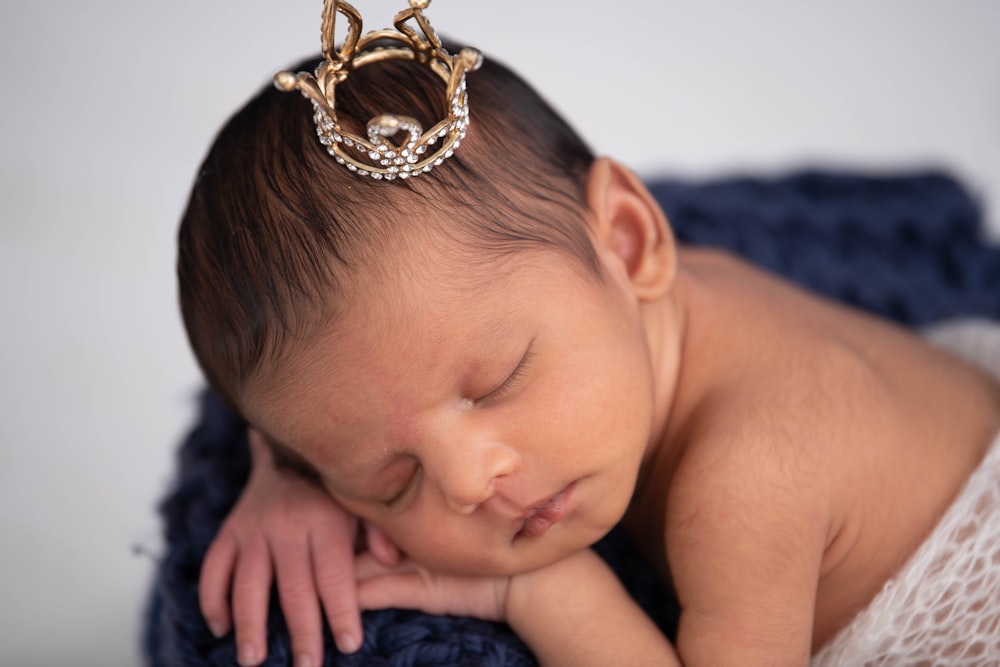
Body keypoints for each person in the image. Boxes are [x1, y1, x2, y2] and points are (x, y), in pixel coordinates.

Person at [177, 2, 1000, 666]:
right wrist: (282, 475)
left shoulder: (743, 487)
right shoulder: (642, 303)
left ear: (631, 238)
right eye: (393, 482)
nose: (467, 481)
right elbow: (346, 379)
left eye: (499, 378)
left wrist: (540, 593)